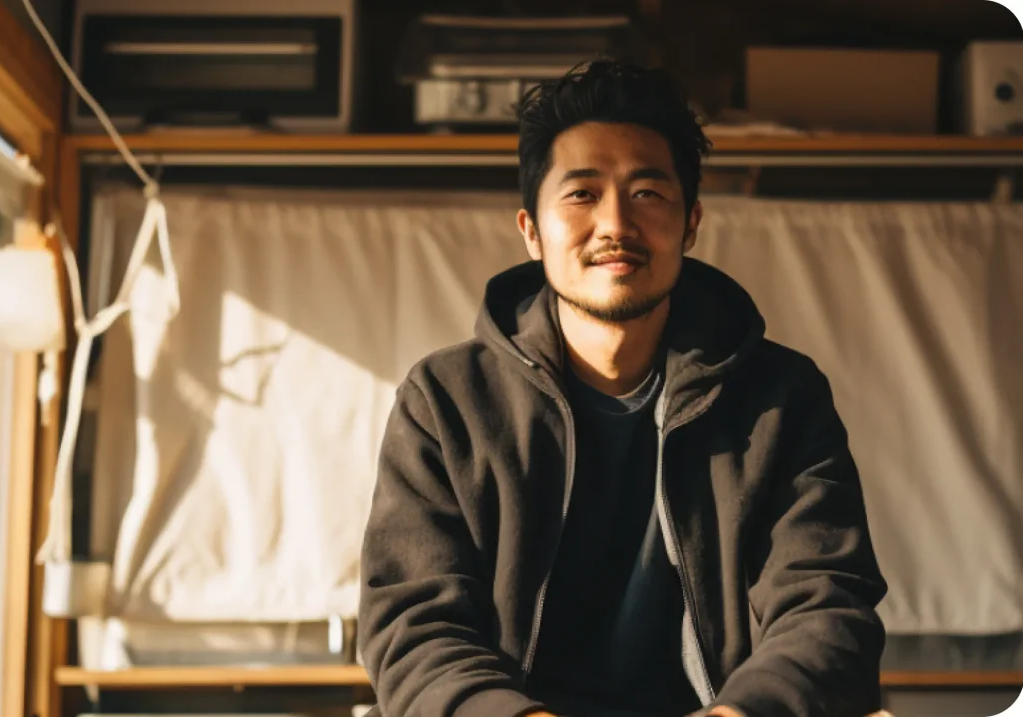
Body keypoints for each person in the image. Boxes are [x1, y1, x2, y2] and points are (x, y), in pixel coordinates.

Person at [357, 60, 888, 717]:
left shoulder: (782, 396)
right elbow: (412, 625)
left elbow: (829, 602)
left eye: (646, 193)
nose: (615, 223)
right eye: (582, 193)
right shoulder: (445, 399)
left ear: (690, 223)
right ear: (531, 231)